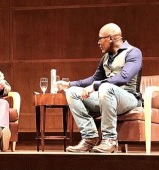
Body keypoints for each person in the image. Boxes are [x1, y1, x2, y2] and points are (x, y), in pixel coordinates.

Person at [56, 23, 143, 153]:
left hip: (129, 99)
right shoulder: (105, 58)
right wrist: (69, 85)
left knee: (105, 87)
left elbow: (124, 77)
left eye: (100, 38)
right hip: (105, 96)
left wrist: (96, 86)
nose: (98, 42)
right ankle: (89, 137)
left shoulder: (133, 53)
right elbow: (93, 79)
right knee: (72, 93)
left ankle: (110, 140)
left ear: (111, 38)